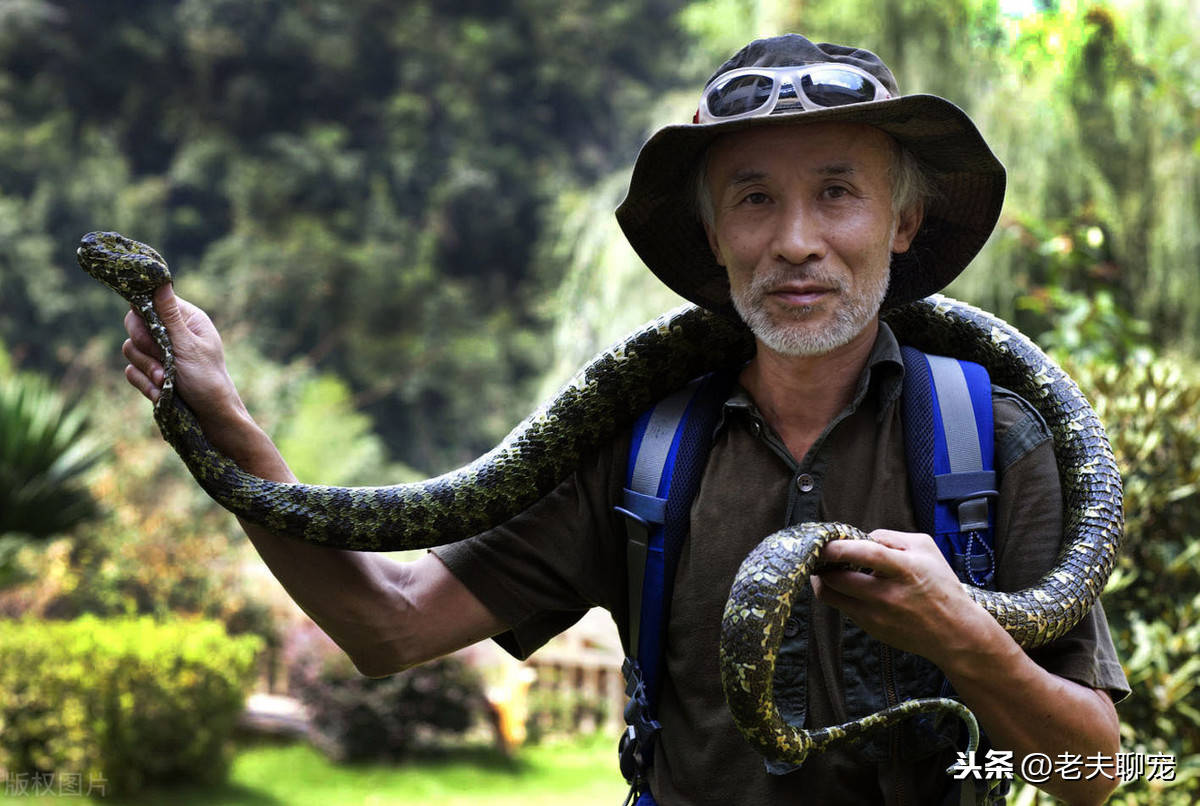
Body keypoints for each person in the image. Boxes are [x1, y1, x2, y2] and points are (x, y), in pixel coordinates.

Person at [120, 34, 1128, 806]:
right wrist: (220, 419)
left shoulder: (993, 441)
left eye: (838, 193)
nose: (795, 241)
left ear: (903, 223)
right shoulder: (642, 446)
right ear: (712, 232)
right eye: (753, 198)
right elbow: (386, 622)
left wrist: (964, 634)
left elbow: (1092, 771)